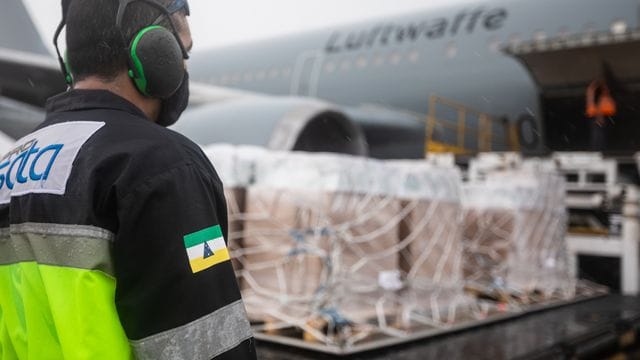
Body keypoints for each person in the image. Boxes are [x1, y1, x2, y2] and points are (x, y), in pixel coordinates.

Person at [0, 0, 256, 358]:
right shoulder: (159, 165)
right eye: (183, 51)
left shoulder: (11, 163)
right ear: (153, 52)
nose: (184, 66)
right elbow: (206, 347)